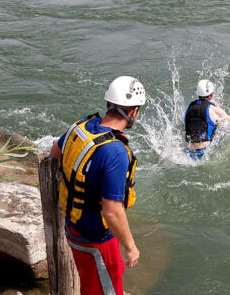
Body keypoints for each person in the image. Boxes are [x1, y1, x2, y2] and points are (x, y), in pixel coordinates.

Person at [50, 75, 145, 295]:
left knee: (95, 283)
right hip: (95, 241)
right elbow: (112, 212)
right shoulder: (116, 152)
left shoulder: (81, 127)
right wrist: (131, 248)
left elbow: (55, 150)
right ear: (133, 112)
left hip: (73, 227)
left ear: (108, 104)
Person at [183, 79, 230, 159]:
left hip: (188, 152)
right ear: (211, 95)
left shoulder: (189, 108)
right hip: (204, 152)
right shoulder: (213, 109)